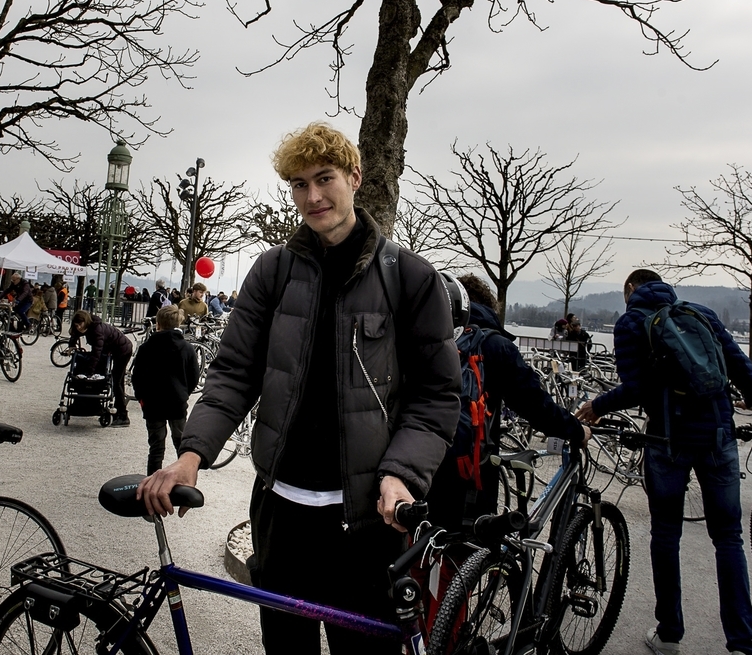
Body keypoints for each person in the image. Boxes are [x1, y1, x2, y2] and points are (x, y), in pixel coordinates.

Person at [137, 122, 460, 654]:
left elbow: (436, 396)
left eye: (324, 178)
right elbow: (233, 374)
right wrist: (191, 454)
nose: (312, 196)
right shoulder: (273, 272)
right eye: (298, 184)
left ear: (354, 178)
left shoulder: (409, 278)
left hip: (363, 524)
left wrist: (402, 474)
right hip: (280, 515)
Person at [576, 269, 752, 655]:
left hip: (667, 441)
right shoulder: (702, 314)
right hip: (718, 437)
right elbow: (744, 373)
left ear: (631, 289)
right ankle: (742, 643)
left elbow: (637, 388)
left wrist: (597, 406)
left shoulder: (631, 323)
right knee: (729, 538)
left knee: (666, 535)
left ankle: (670, 635)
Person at [426, 274, 590, 532]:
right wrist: (576, 430)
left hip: (422, 465)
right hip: (470, 479)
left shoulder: (429, 336)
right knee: (468, 552)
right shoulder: (494, 345)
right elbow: (535, 404)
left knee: (424, 547)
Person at [132, 305, 199, 473]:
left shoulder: (146, 348)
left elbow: (137, 377)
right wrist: (184, 393)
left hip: (153, 403)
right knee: (181, 446)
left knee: (156, 448)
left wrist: (141, 398)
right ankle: (184, 482)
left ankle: (152, 484)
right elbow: (194, 377)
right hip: (177, 401)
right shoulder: (187, 348)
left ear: (158, 324)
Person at [68, 310, 133, 426]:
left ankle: (123, 415)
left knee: (116, 381)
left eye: (79, 325)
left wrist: (90, 372)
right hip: (115, 348)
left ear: (85, 322)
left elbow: (96, 352)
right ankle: (120, 412)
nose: (78, 328)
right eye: (76, 325)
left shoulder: (96, 330)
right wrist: (71, 345)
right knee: (117, 380)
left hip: (123, 350)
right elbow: (75, 334)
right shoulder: (87, 325)